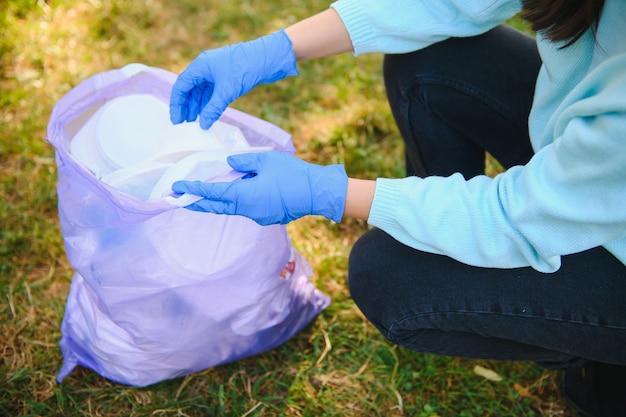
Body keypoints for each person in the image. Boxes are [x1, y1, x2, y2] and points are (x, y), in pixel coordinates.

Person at [169, 0, 626, 415]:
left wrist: (326, 191)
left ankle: (599, 351)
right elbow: (446, 4)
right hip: (583, 157)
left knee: (388, 275)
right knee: (427, 62)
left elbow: (516, 216)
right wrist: (278, 47)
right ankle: (445, 240)